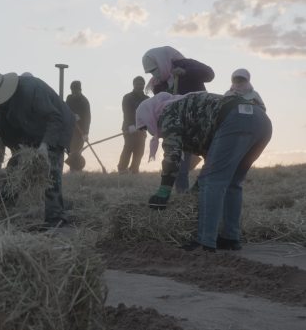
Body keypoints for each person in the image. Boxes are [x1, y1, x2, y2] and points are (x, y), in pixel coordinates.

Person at [136, 92, 272, 251]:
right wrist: (197, 187)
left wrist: (164, 190)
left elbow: (172, 155)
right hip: (261, 121)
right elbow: (214, 157)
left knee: (212, 181)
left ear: (149, 114)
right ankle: (230, 238)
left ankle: (205, 242)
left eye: (145, 126)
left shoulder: (167, 112)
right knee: (232, 182)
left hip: (236, 119)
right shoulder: (185, 107)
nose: (149, 132)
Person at [0, 69, 75, 228]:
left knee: (50, 167)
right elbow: (5, 129)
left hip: (57, 124)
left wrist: (45, 145)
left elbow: (54, 118)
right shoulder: (2, 106)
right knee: (15, 167)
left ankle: (56, 218)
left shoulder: (31, 89)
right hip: (32, 129)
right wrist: (18, 150)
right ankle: (4, 209)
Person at [142, 46, 215, 192]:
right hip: (179, 126)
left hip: (200, 120)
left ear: (161, 61)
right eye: (150, 72)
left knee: (211, 159)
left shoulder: (185, 64)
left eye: (154, 69)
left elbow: (210, 74)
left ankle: (206, 191)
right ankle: (182, 196)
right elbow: (160, 105)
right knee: (179, 164)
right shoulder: (158, 84)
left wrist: (186, 73)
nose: (153, 73)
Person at [117, 76, 149, 174]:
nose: (139, 86)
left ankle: (134, 170)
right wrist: (131, 125)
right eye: (137, 84)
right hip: (129, 128)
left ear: (144, 85)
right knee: (128, 147)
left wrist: (145, 126)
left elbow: (149, 114)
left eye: (141, 84)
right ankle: (122, 169)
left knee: (139, 150)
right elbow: (126, 112)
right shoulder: (127, 97)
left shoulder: (147, 99)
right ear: (133, 85)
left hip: (142, 129)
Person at [65, 80, 90, 172]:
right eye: (72, 91)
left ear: (80, 90)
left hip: (81, 131)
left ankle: (76, 170)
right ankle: (73, 169)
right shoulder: (69, 98)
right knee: (70, 151)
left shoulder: (84, 102)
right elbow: (65, 109)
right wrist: (71, 115)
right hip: (71, 129)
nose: (74, 93)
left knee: (76, 151)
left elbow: (87, 118)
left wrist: (86, 133)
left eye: (76, 91)